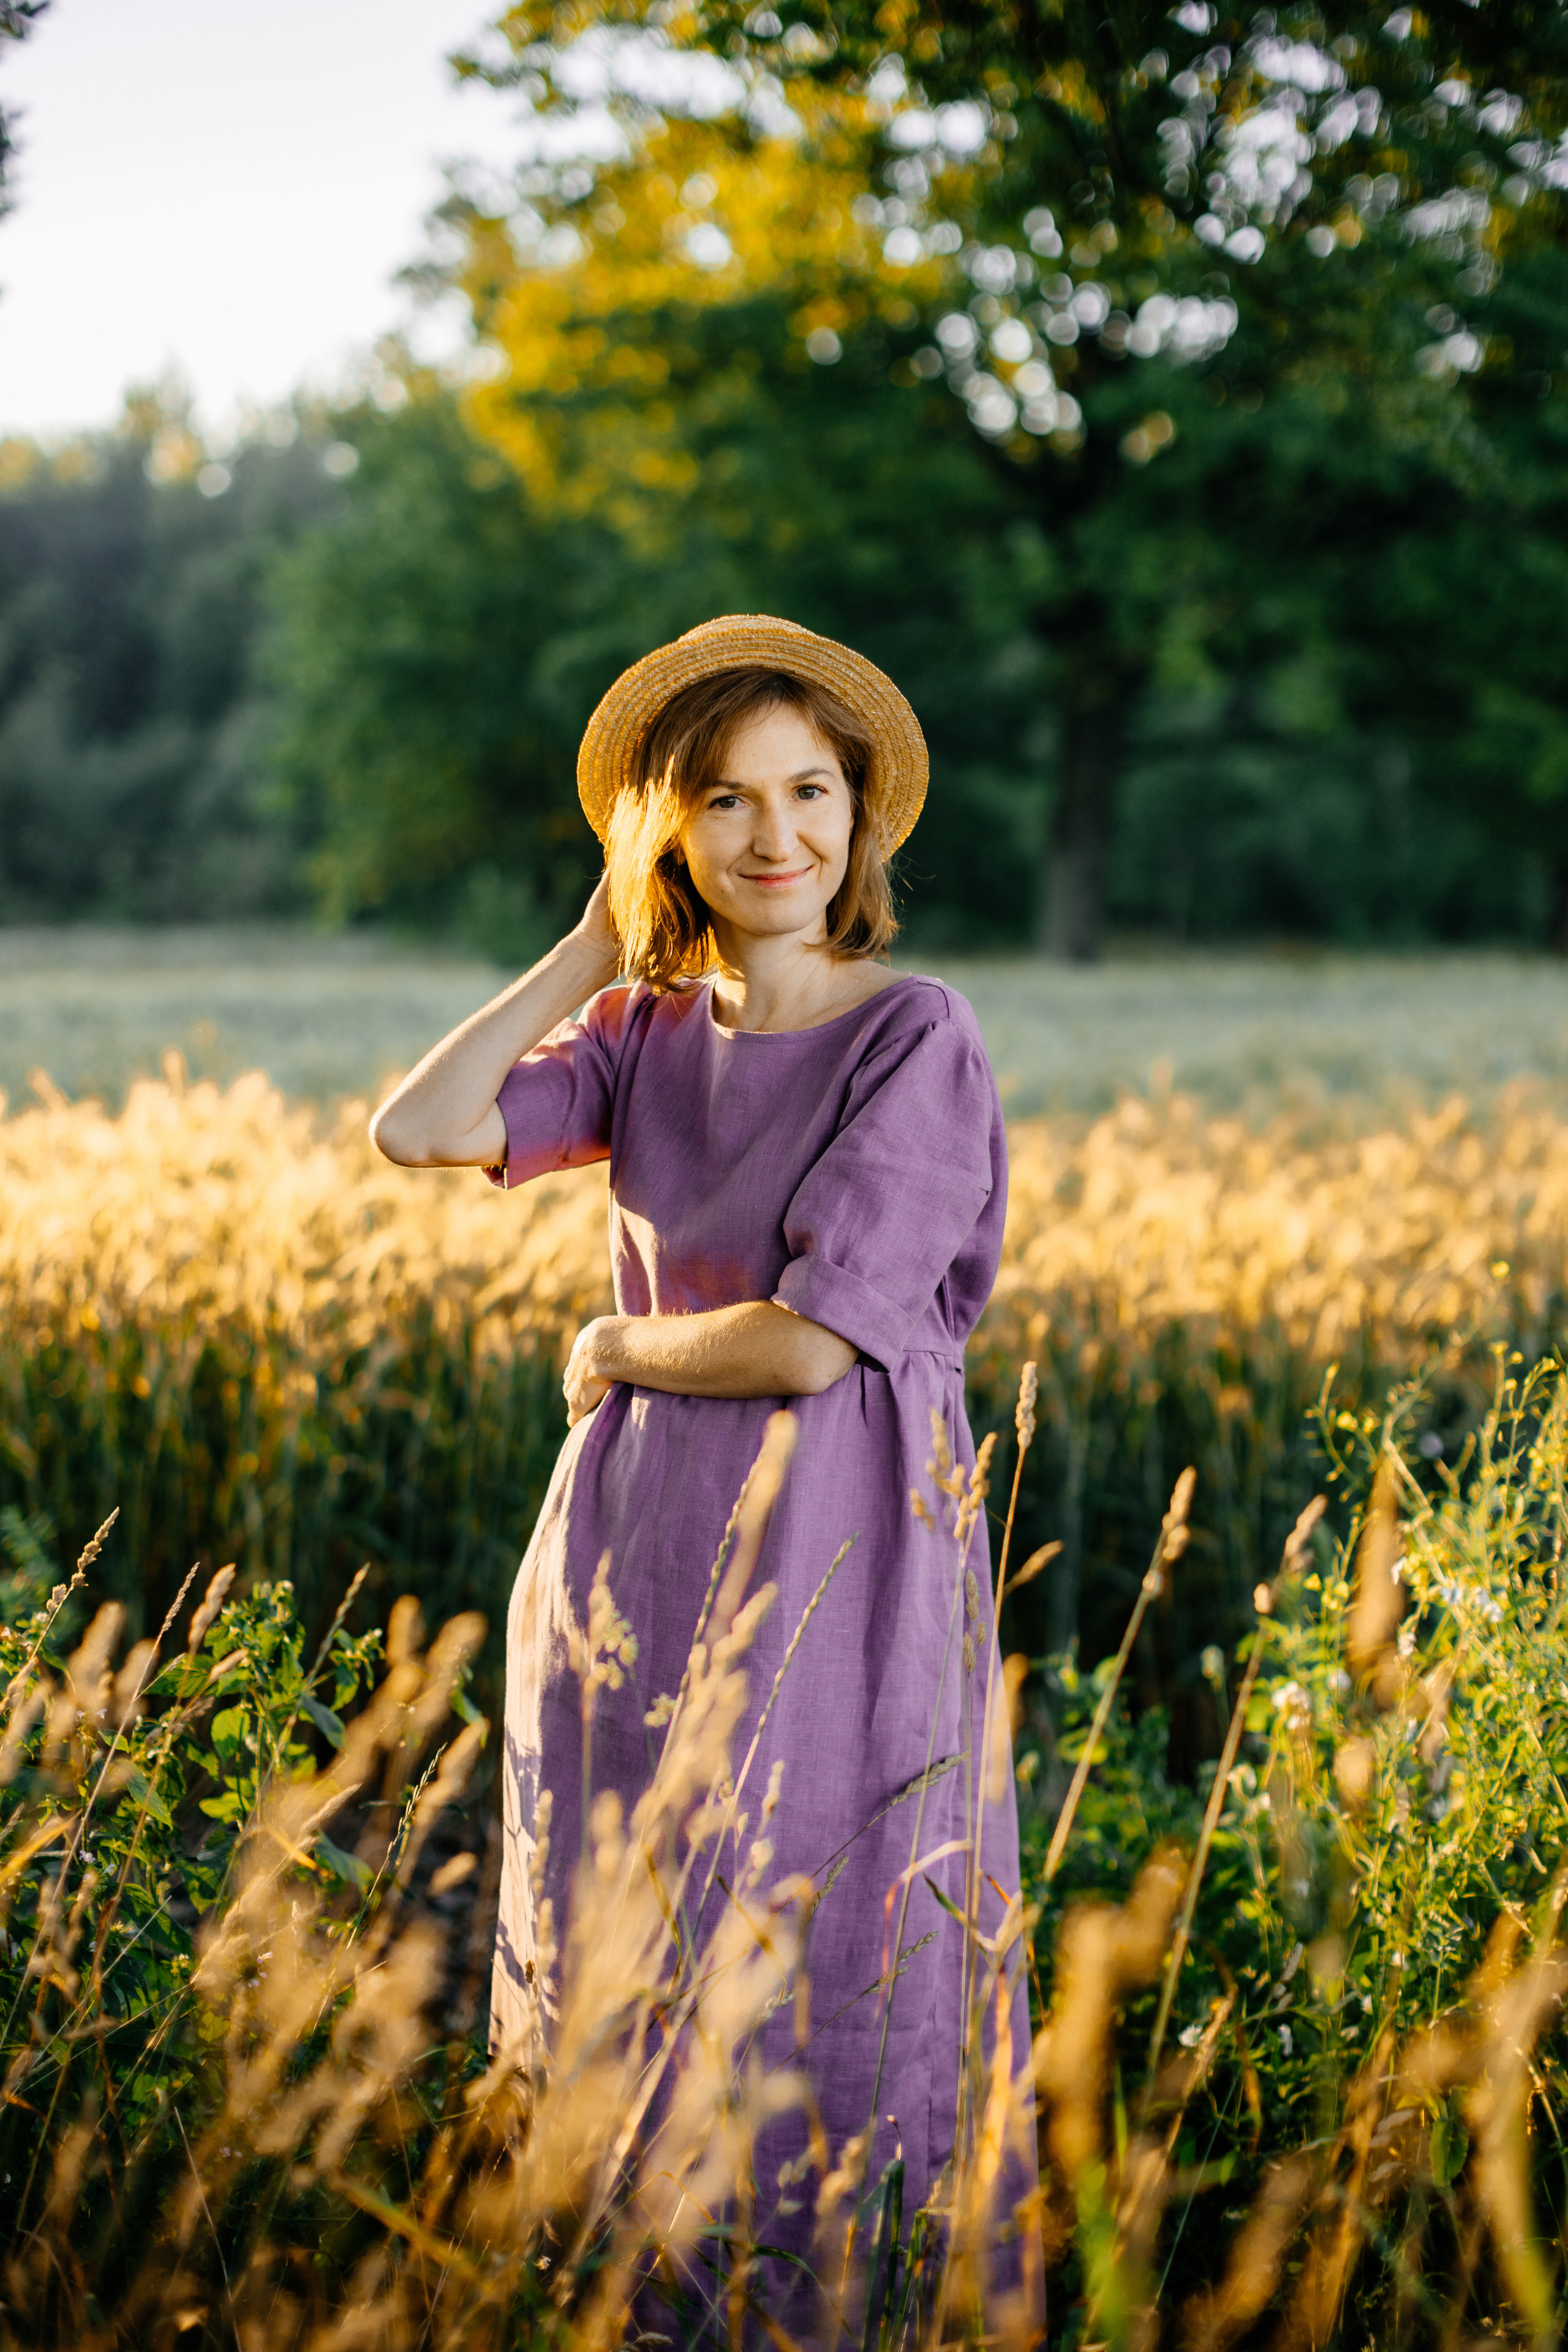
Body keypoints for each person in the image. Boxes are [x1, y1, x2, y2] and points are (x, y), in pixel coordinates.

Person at [370, 614, 1032, 2316]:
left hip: (838, 1547)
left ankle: (844, 2297)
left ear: (864, 816)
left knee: (833, 1902)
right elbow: (422, 1128)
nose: (776, 838)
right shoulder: (646, 1031)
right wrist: (590, 945)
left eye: (811, 791)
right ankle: (629, 2296)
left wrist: (612, 1348)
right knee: (632, 1907)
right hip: (641, 1551)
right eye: (724, 803)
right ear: (670, 834)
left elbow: (815, 1341)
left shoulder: (917, 1036)